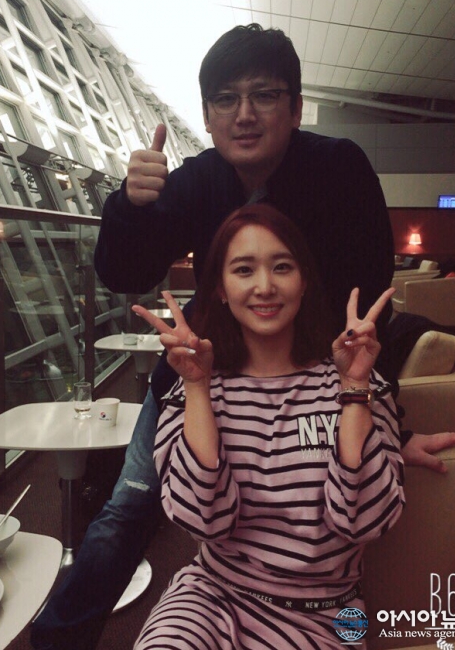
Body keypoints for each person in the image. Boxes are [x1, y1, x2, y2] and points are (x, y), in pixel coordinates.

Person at [31, 23, 455, 650]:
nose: (244, 114)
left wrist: (383, 423)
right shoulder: (195, 180)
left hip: (310, 383)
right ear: (207, 116)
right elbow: (124, 273)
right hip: (201, 378)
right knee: (128, 508)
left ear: (295, 108)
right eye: (225, 99)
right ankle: (57, 641)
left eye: (264, 95)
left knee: (308, 514)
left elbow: (364, 306)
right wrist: (130, 205)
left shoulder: (339, 169)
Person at [133, 203, 404, 649]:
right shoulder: (192, 388)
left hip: (328, 612)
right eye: (244, 270)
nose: (265, 287)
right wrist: (198, 388)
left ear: (304, 281)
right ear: (220, 289)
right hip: (212, 595)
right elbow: (205, 521)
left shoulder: (356, 382)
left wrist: (355, 387)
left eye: (282, 267)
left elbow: (364, 523)